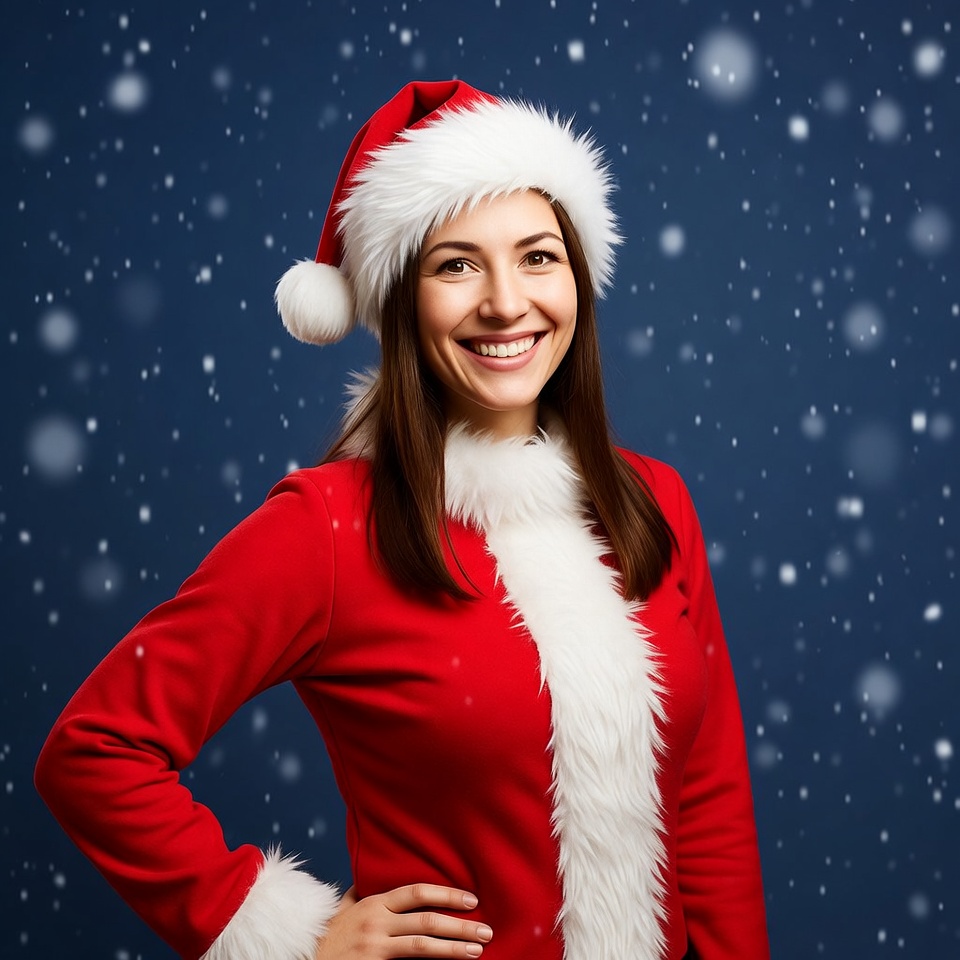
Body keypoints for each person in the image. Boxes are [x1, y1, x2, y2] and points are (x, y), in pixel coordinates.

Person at [35, 79, 769, 960]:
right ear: (398, 301)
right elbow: (94, 750)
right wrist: (290, 934)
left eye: (538, 256)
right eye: (456, 265)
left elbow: (710, 803)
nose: (507, 302)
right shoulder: (327, 529)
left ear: (578, 277)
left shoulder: (652, 498)